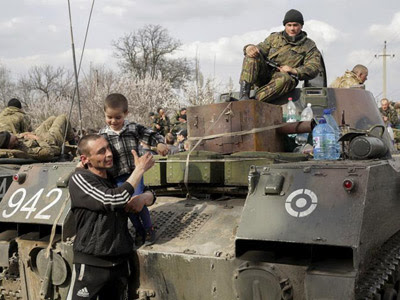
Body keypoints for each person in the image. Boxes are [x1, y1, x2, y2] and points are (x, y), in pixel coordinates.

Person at [68, 134, 156, 299]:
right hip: (92, 265)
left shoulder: (113, 180)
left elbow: (150, 192)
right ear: (85, 159)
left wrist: (144, 198)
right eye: (101, 151)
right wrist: (139, 170)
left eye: (108, 148)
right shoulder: (80, 178)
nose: (109, 154)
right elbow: (113, 198)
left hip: (119, 264)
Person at [99, 93, 168, 246]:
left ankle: (149, 228)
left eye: (118, 117)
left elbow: (150, 134)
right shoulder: (103, 134)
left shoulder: (132, 128)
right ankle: (139, 229)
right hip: (116, 176)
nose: (113, 121)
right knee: (126, 205)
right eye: (109, 117)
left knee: (136, 201)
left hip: (134, 171)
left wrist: (159, 143)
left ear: (126, 114)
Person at [239, 9, 322, 102]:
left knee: (285, 79)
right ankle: (243, 96)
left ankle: (253, 101)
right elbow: (259, 49)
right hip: (265, 74)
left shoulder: (309, 45)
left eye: (295, 25)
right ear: (285, 25)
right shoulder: (274, 38)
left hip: (283, 80)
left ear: (301, 25)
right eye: (289, 25)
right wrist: (248, 47)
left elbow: (313, 68)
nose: (292, 29)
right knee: (251, 57)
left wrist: (294, 70)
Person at [0, 114, 74, 160]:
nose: (14, 136)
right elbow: (49, 152)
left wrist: (25, 135)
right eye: (13, 138)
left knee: (52, 118)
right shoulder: (27, 151)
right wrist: (36, 138)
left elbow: (17, 136)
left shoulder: (12, 142)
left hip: (36, 135)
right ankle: (74, 147)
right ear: (10, 146)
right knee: (63, 117)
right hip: (50, 141)